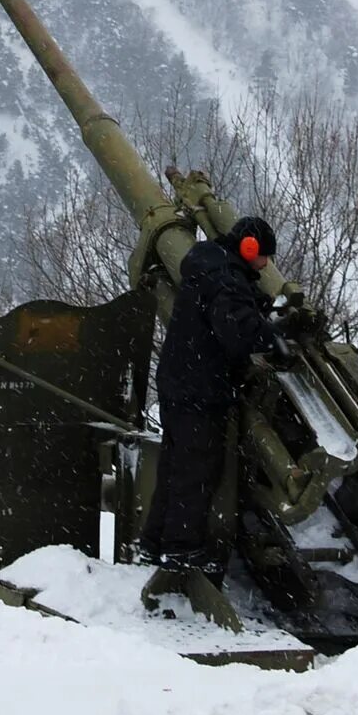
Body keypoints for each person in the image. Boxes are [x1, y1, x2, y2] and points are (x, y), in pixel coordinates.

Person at [141, 216, 282, 580]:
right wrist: (275, 336)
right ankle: (181, 551)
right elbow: (238, 332)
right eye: (264, 256)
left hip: (180, 382)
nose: (266, 264)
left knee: (174, 466)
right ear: (249, 248)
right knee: (196, 470)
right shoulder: (225, 278)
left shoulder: (214, 266)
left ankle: (153, 543)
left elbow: (229, 310)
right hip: (200, 388)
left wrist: (261, 308)